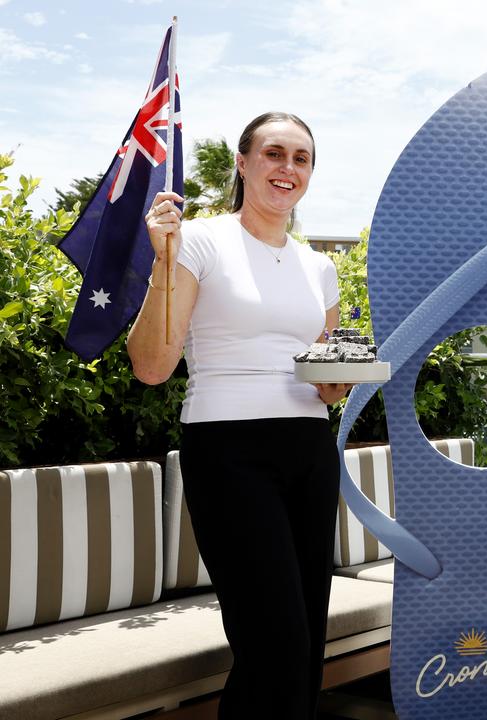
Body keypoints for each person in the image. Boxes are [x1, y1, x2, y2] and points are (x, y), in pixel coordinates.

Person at [127, 112, 351, 718]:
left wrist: (342, 379)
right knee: (274, 639)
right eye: (274, 154)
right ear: (244, 163)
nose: (288, 168)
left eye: (301, 158)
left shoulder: (320, 267)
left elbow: (327, 386)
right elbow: (151, 365)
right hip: (229, 452)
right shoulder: (196, 240)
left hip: (310, 449)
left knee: (304, 641)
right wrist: (163, 262)